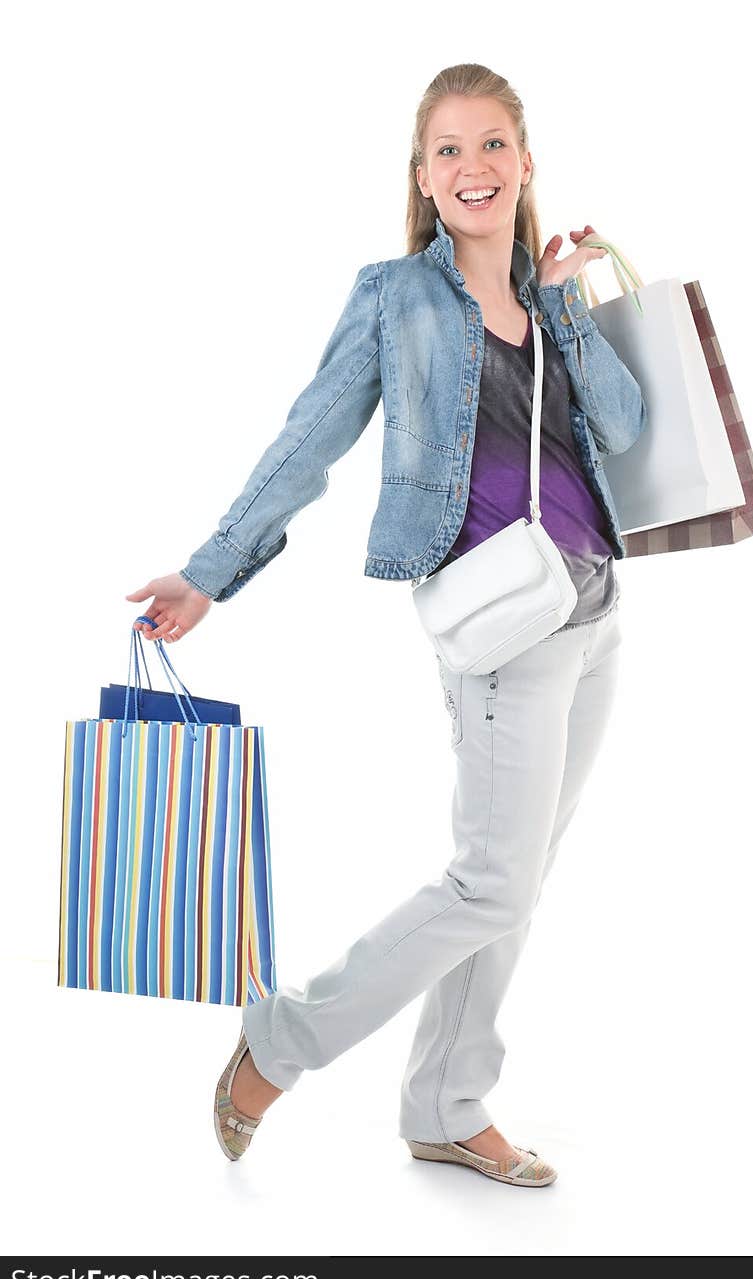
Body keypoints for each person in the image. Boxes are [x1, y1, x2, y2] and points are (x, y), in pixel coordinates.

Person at [126, 62, 646, 1189]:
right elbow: (308, 437)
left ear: (525, 162)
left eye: (494, 143)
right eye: (449, 150)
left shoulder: (545, 293)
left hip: (592, 606)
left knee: (515, 877)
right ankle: (282, 1039)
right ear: (421, 176)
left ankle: (445, 1105)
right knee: (489, 884)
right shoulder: (395, 298)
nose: (474, 167)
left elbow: (626, 422)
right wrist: (212, 571)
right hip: (498, 624)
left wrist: (567, 299)